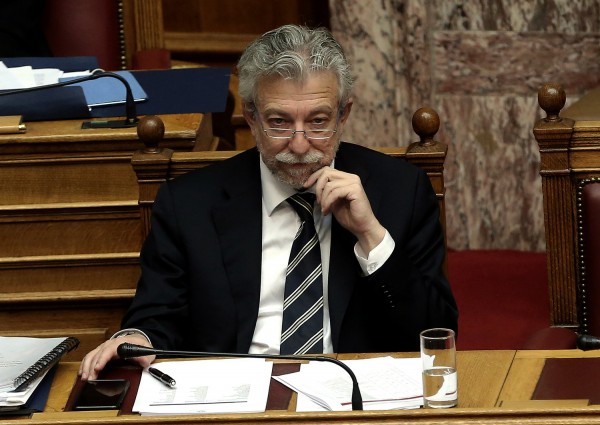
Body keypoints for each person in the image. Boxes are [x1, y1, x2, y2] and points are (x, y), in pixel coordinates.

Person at [80, 24, 458, 381]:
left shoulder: (400, 192)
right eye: (279, 122)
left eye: (318, 121)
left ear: (343, 115)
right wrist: (136, 338)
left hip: (353, 396)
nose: (299, 144)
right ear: (251, 116)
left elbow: (436, 334)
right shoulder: (190, 204)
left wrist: (371, 236)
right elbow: (157, 314)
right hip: (234, 399)